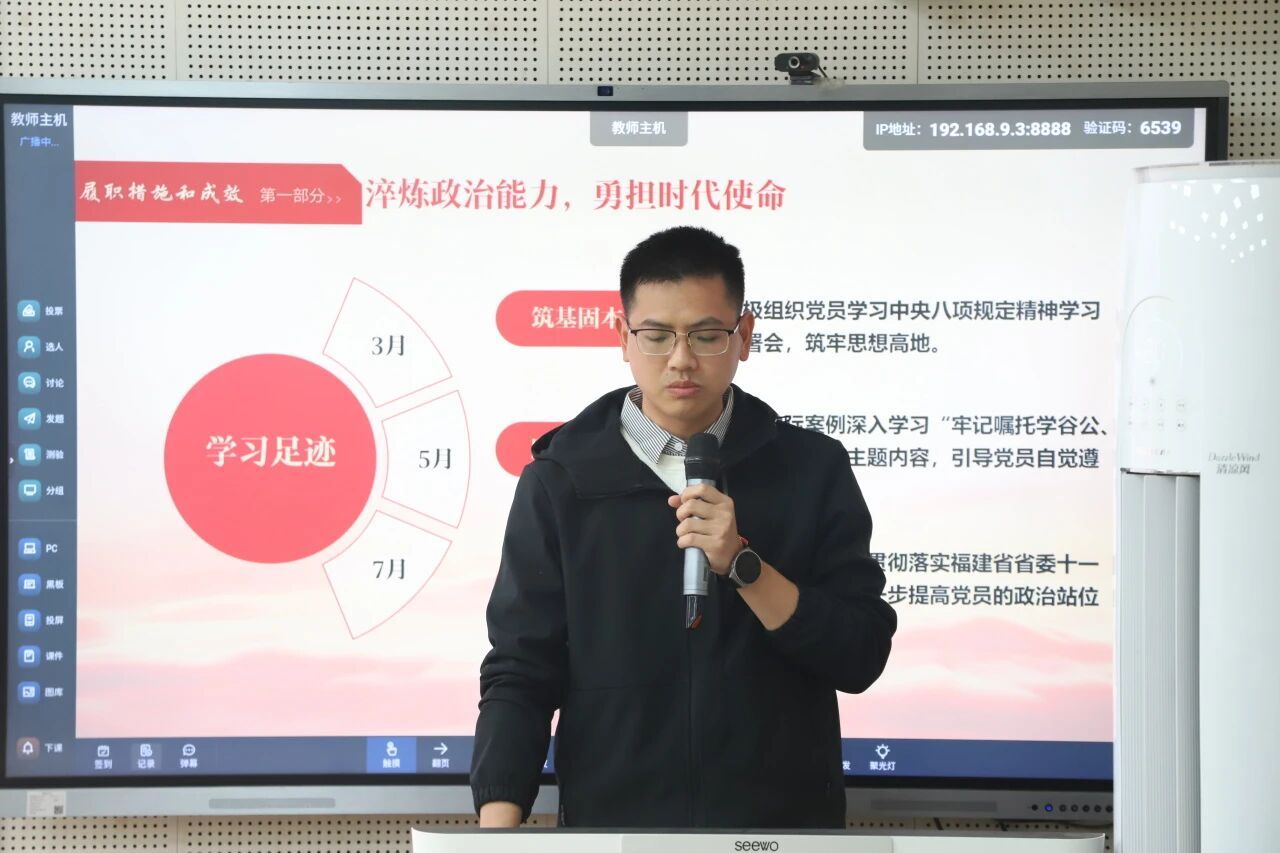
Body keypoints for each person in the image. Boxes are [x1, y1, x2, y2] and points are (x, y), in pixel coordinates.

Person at [470, 226, 896, 828]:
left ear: (743, 337)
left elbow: (860, 656)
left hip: (781, 831)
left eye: (706, 335)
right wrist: (495, 834)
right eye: (656, 335)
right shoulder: (562, 481)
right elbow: (520, 670)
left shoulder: (811, 469)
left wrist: (745, 566)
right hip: (615, 831)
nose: (681, 359)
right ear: (622, 337)